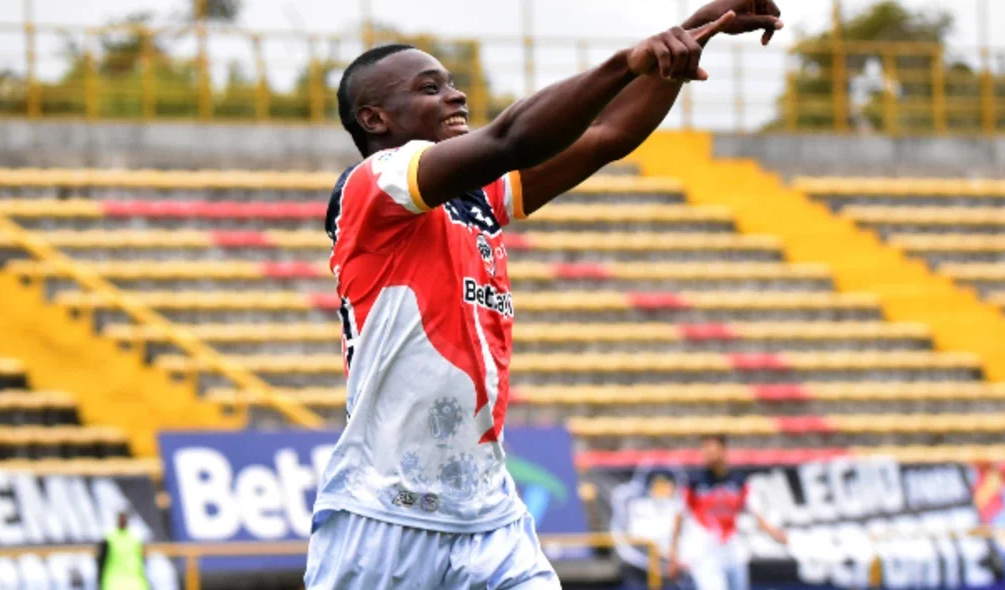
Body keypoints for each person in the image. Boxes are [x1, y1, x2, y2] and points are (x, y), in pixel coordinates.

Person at [305, 1, 783, 588]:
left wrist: (685, 40)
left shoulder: (478, 199)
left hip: (489, 517)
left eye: (451, 84)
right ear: (375, 119)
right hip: (384, 515)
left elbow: (607, 136)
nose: (455, 96)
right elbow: (511, 139)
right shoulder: (373, 186)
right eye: (431, 89)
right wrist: (626, 62)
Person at [668, 435, 787, 590]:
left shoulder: (738, 481)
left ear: (723, 450)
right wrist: (674, 554)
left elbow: (755, 512)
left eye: (712, 449)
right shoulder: (694, 482)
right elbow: (679, 516)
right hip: (705, 550)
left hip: (732, 548)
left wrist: (773, 532)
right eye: (705, 450)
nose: (708, 454)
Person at [96, 513, 149, 590]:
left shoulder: (110, 538)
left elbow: (100, 563)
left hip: (117, 583)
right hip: (129, 583)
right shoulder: (135, 539)